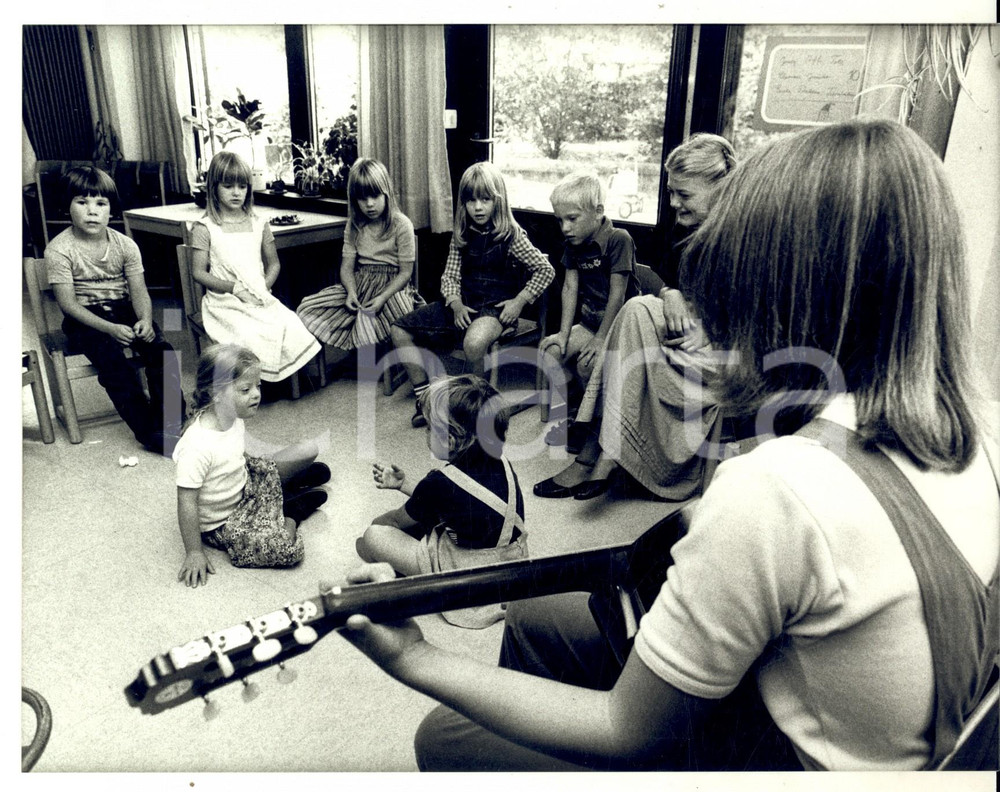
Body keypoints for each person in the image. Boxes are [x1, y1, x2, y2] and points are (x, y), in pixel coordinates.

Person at [336, 119, 999, 770]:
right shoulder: (983, 428)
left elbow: (628, 730)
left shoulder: (781, 489)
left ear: (785, 292)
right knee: (539, 612)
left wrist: (415, 657)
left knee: (445, 738)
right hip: (835, 716)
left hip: (765, 755)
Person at [534, 133, 737, 501]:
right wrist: (671, 292)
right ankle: (604, 450)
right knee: (637, 308)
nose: (674, 202)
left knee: (632, 311)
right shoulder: (685, 229)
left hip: (727, 352)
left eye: (684, 194)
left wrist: (711, 329)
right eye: (672, 192)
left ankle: (598, 452)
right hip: (686, 335)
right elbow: (656, 277)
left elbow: (763, 318)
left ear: (721, 186)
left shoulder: (750, 237)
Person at [390, 161, 554, 428]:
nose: (478, 207)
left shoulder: (512, 236)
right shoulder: (461, 235)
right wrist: (454, 304)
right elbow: (450, 276)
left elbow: (545, 270)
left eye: (485, 199)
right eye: (471, 200)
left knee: (474, 343)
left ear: (497, 201)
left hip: (495, 310)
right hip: (463, 304)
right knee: (399, 329)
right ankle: (424, 399)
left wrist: (519, 301)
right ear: (463, 203)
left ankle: (474, 405)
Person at [357, 374, 528, 627]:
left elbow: (396, 520)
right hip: (509, 569)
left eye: (428, 428)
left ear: (449, 440)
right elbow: (458, 498)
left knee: (372, 537)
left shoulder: (438, 482)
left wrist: (376, 534)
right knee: (429, 521)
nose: (426, 433)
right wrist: (404, 484)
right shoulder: (502, 463)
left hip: (466, 577)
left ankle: (405, 577)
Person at [44, 165, 185, 456]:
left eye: (100, 203)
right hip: (84, 319)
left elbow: (139, 291)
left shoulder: (126, 245)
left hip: (124, 311)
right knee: (113, 363)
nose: (92, 211)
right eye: (82, 202)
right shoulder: (59, 250)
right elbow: (68, 305)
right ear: (67, 206)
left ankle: (171, 421)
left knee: (164, 351)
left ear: (111, 209)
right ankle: (148, 431)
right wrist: (109, 328)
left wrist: (145, 319)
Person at [174, 343, 330, 587]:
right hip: (224, 522)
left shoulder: (232, 417)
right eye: (246, 389)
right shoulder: (196, 446)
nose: (256, 394)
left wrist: (264, 475)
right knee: (286, 549)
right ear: (215, 393)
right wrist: (194, 552)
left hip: (245, 485)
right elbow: (186, 501)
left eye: (258, 386)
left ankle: (285, 489)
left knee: (309, 448)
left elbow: (239, 457)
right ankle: (293, 511)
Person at [190, 151, 320, 391]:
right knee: (247, 332)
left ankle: (279, 380)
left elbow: (274, 264)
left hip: (259, 296)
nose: (237, 192)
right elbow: (198, 273)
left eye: (242, 186)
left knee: (289, 322)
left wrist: (264, 286)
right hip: (224, 302)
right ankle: (252, 385)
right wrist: (234, 289)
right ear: (214, 188)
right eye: (228, 186)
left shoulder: (259, 222)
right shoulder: (205, 227)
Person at [538, 171, 638, 447]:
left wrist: (600, 338)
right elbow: (569, 288)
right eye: (560, 220)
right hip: (590, 322)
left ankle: (593, 426)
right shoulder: (574, 243)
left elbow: (617, 296)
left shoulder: (619, 239)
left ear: (598, 212)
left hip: (619, 326)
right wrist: (563, 333)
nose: (565, 228)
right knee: (550, 350)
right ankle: (577, 412)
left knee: (588, 364)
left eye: (572, 219)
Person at [296, 158, 423, 373]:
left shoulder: (402, 224)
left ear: (386, 193)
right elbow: (347, 267)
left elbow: (406, 273)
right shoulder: (354, 225)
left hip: (394, 286)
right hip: (360, 281)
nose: (370, 204)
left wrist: (382, 298)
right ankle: (360, 352)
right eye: (362, 199)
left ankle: (376, 358)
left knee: (396, 313)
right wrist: (351, 293)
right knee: (307, 307)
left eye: (375, 196)